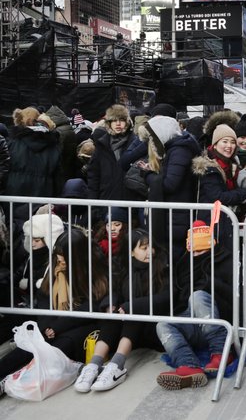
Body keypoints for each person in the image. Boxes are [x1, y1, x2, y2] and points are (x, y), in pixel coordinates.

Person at [0, 229, 108, 383]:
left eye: (64, 255)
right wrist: (46, 327)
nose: (59, 259)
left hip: (81, 326)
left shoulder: (93, 270)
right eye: (58, 254)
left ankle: (10, 381)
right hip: (52, 323)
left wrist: (56, 327)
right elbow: (43, 298)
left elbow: (90, 307)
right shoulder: (55, 268)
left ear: (76, 256)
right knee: (31, 346)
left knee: (54, 349)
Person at [74, 230, 169, 392]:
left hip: (152, 327)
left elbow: (166, 298)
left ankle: (116, 367)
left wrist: (132, 307)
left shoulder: (162, 267)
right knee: (113, 315)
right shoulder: (123, 268)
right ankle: (93, 365)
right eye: (144, 248)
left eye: (151, 247)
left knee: (134, 312)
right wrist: (110, 305)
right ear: (131, 252)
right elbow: (114, 291)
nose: (150, 252)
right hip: (126, 331)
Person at [155, 221, 235, 390]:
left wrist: (209, 284)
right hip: (195, 321)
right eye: (194, 251)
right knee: (163, 324)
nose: (197, 255)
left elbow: (234, 296)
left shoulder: (226, 260)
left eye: (202, 250)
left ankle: (221, 352)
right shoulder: (184, 264)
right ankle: (189, 365)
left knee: (198, 296)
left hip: (221, 320)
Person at [141, 115, 201, 257]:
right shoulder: (178, 147)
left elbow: (170, 184)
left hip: (176, 217)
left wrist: (149, 175)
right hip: (175, 216)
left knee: (172, 262)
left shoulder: (179, 150)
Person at [192, 122, 246, 247]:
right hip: (211, 224)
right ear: (215, 145)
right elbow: (218, 197)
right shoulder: (208, 167)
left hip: (225, 222)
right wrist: (243, 192)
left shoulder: (232, 165)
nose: (229, 146)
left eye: (232, 142)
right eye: (224, 141)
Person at [5, 107, 61, 200]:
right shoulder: (53, 146)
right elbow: (58, 177)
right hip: (43, 197)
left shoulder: (11, 143)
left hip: (13, 197)